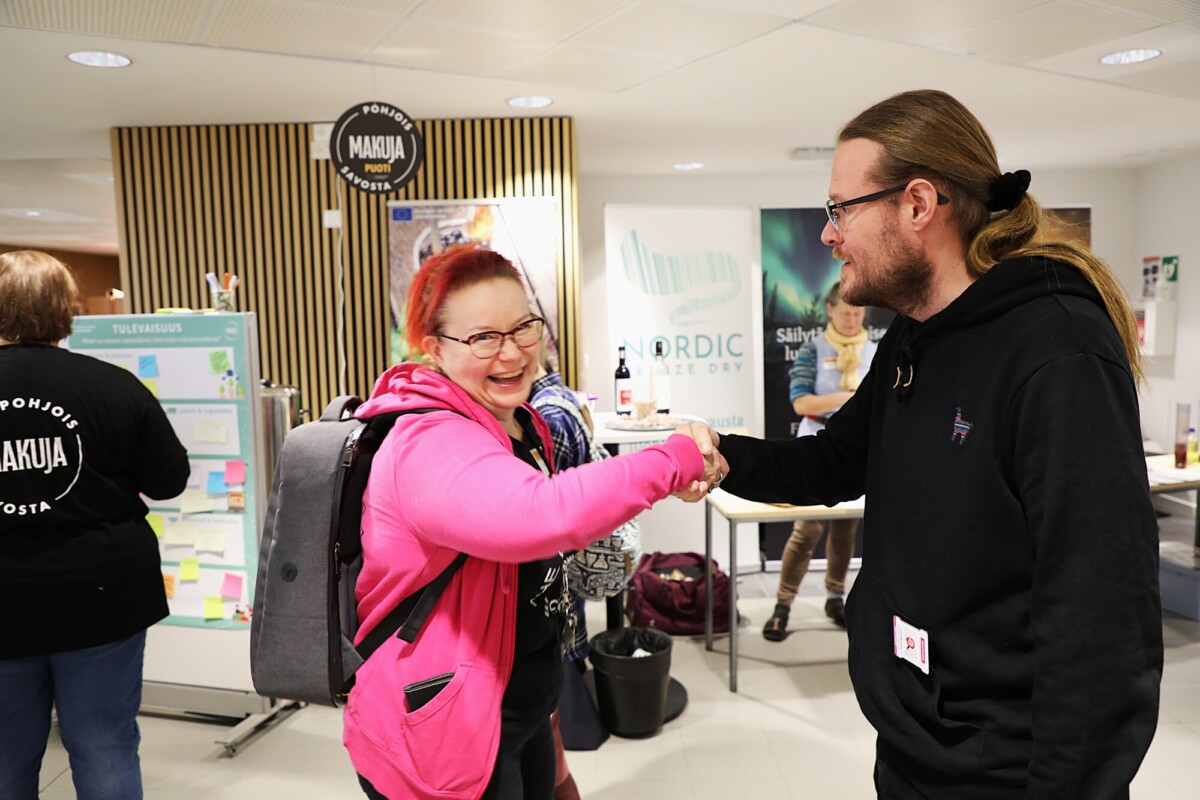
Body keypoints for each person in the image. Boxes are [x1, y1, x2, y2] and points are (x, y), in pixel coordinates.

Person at [680, 90, 1162, 798]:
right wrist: (721, 454)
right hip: (914, 745)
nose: (829, 234)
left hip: (1005, 772)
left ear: (917, 204)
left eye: (841, 208)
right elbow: (836, 460)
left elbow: (1101, 619)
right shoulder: (916, 333)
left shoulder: (1057, 352)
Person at [344, 243, 717, 800]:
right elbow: (540, 515)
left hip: (519, 717)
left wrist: (555, 752)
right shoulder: (426, 442)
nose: (512, 353)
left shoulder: (520, 425)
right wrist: (672, 459)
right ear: (433, 350)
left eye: (523, 327)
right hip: (444, 739)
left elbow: (524, 602)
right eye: (482, 337)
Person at [0, 250, 190, 799]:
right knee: (104, 745)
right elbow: (169, 480)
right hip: (104, 595)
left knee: (6, 756)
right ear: (65, 310)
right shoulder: (114, 386)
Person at [763, 282, 876, 640]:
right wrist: (849, 397)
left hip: (859, 446)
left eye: (857, 313)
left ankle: (834, 595)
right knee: (807, 528)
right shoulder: (812, 350)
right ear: (829, 310)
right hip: (817, 442)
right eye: (845, 312)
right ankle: (782, 604)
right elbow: (801, 404)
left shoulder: (875, 351)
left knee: (845, 529)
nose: (851, 318)